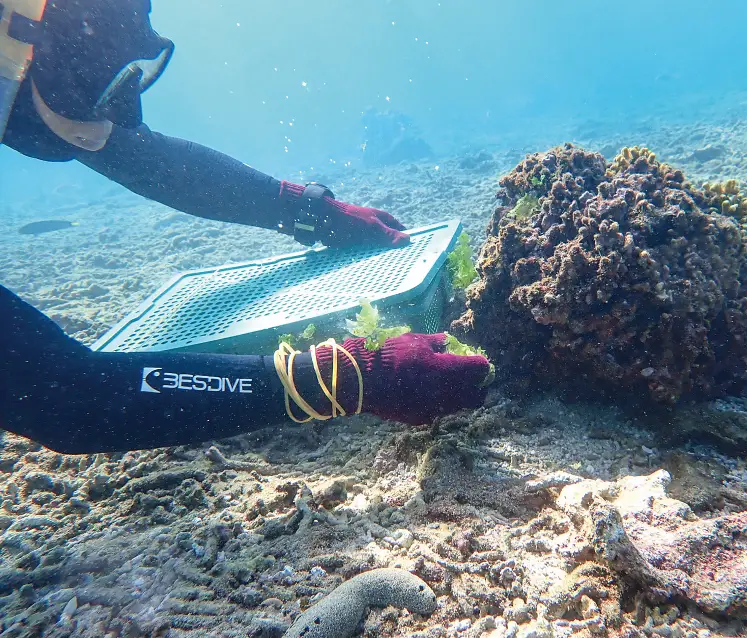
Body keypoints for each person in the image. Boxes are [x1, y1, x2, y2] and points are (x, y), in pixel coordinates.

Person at [0, 0, 492, 455]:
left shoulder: (36, 74)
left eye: (135, 76)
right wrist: (337, 378)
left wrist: (310, 209)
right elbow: (65, 396)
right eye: (100, 83)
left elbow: (148, 162)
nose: (125, 111)